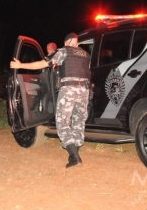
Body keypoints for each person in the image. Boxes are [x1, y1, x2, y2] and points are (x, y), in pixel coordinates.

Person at [10, 32, 91, 168]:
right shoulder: (86, 55)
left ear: (67, 42)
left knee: (62, 121)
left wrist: (20, 66)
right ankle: (75, 152)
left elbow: (43, 64)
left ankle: (74, 156)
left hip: (69, 89)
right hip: (84, 91)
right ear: (76, 42)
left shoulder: (64, 51)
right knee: (78, 121)